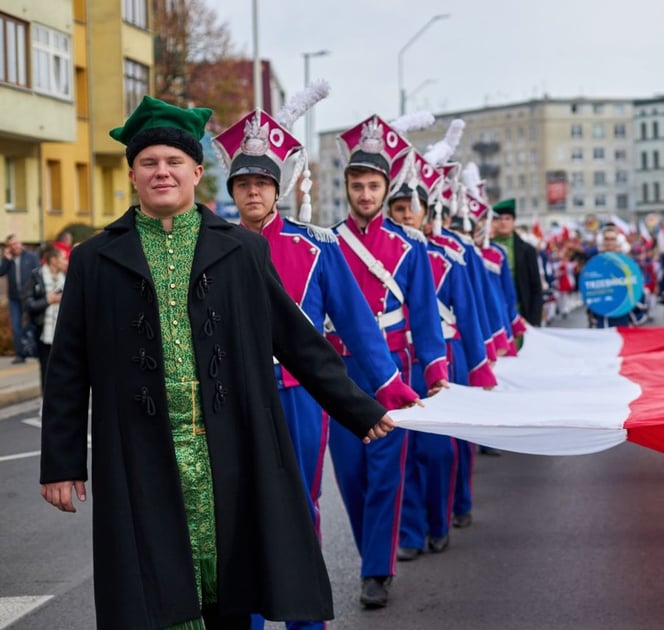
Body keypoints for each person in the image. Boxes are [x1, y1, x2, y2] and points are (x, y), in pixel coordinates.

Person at [38, 95, 400, 630]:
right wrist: (62, 463)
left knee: (231, 583)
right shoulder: (94, 259)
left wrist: (359, 408)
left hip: (226, 449)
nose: (162, 172)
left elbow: (297, 339)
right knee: (152, 586)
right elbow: (67, 366)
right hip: (139, 453)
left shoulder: (241, 251)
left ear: (196, 172)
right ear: (133, 175)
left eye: (173, 162)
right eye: (150, 163)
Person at [213, 104, 423, 629]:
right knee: (234, 510)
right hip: (233, 397)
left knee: (298, 506)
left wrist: (389, 386)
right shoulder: (210, 249)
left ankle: (304, 619)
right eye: (243, 184)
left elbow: (356, 324)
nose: (254, 192)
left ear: (279, 187)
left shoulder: (316, 247)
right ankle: (249, 617)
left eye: (263, 182)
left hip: (297, 394)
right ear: (232, 190)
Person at [327, 114, 449, 608]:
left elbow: (424, 316)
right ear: (348, 188)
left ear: (385, 186)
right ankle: (368, 553)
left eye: (373, 185)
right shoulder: (327, 242)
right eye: (357, 185)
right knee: (351, 475)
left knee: (384, 472)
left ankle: (376, 570)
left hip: (392, 371)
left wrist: (436, 370)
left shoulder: (409, 246)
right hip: (339, 372)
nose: (365, 194)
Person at [388, 181, 496, 560]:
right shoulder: (385, 254)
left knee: (439, 450)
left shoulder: (450, 257)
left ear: (425, 213)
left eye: (410, 209)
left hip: (443, 355)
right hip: (397, 359)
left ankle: (441, 518)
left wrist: (481, 364)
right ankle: (411, 533)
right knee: (404, 450)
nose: (405, 216)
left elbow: (468, 311)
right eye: (398, 209)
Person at [490, 198, 543, 329]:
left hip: (520, 312)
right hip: (492, 310)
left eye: (507, 219)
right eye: (499, 219)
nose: (503, 223)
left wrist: (534, 320)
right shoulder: (484, 247)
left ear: (514, 221)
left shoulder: (527, 250)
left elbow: (536, 287)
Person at [23, 244, 67, 390]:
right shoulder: (37, 276)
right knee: (46, 370)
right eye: (63, 258)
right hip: (43, 332)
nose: (66, 261)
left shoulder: (66, 277)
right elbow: (28, 303)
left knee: (64, 371)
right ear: (53, 260)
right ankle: (46, 403)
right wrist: (48, 300)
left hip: (63, 332)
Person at [587, 226, 649, 328]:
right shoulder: (595, 264)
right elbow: (589, 289)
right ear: (602, 241)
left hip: (624, 315)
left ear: (618, 241)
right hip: (602, 316)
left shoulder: (628, 264)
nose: (609, 242)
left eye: (613, 239)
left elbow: (638, 290)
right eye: (606, 239)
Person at [0, 234, 40, 363]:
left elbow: (38, 273)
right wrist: (6, 260)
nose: (15, 246)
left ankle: (34, 350)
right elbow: (1, 272)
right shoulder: (8, 260)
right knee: (16, 326)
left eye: (16, 243)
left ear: (21, 243)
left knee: (31, 325)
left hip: (29, 297)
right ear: (8, 247)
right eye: (12, 245)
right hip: (14, 298)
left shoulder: (31, 257)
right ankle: (20, 354)